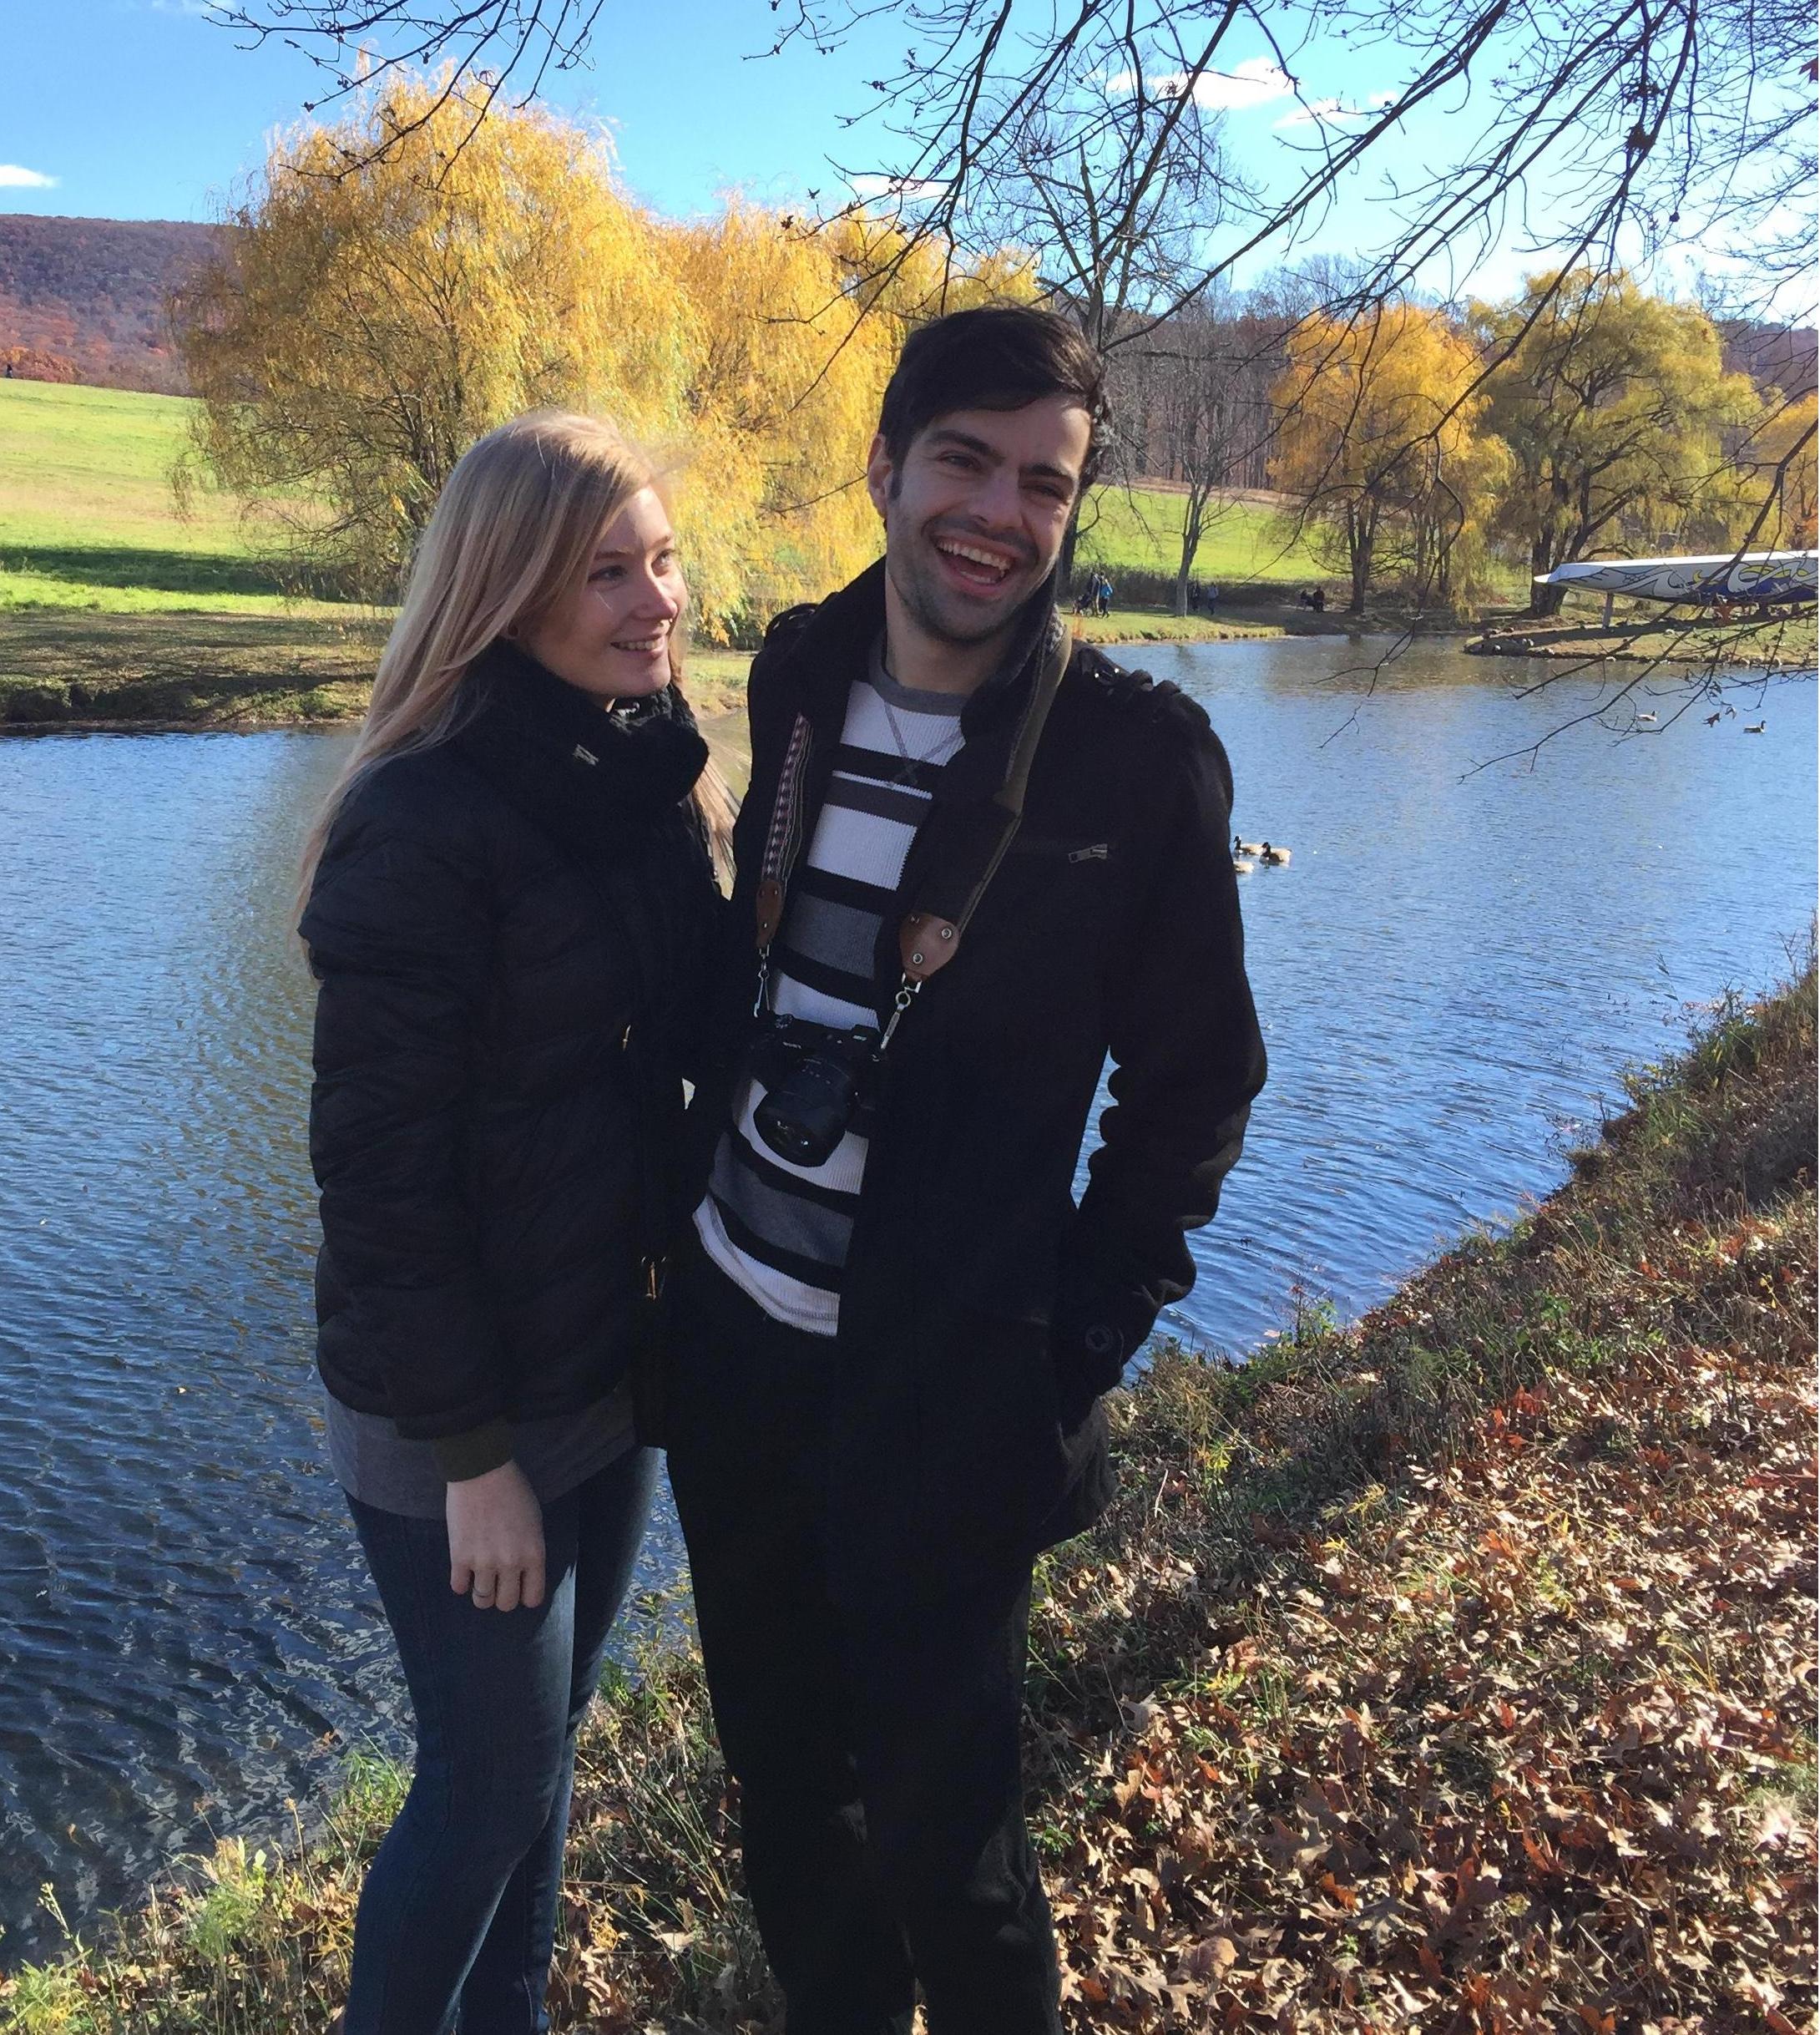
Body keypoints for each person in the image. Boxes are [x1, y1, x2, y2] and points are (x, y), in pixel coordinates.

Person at [661, 304, 1266, 2032]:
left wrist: (1068, 1345)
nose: (1000, 510)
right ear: (886, 466)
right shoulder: (791, 671)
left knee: (954, 1844)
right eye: (965, 462)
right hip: (737, 1355)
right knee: (790, 1803)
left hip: (954, 1383)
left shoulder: (1137, 758)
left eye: (1043, 482)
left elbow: (1195, 1083)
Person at [299, 411, 727, 2033]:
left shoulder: (637, 776)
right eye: (607, 570)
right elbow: (382, 1184)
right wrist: (473, 1454)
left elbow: (691, 1046)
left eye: (663, 559)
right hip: (454, 1410)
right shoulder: (422, 820)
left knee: (542, 1761)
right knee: (484, 1786)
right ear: (509, 588)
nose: (655, 598)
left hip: (600, 1362)